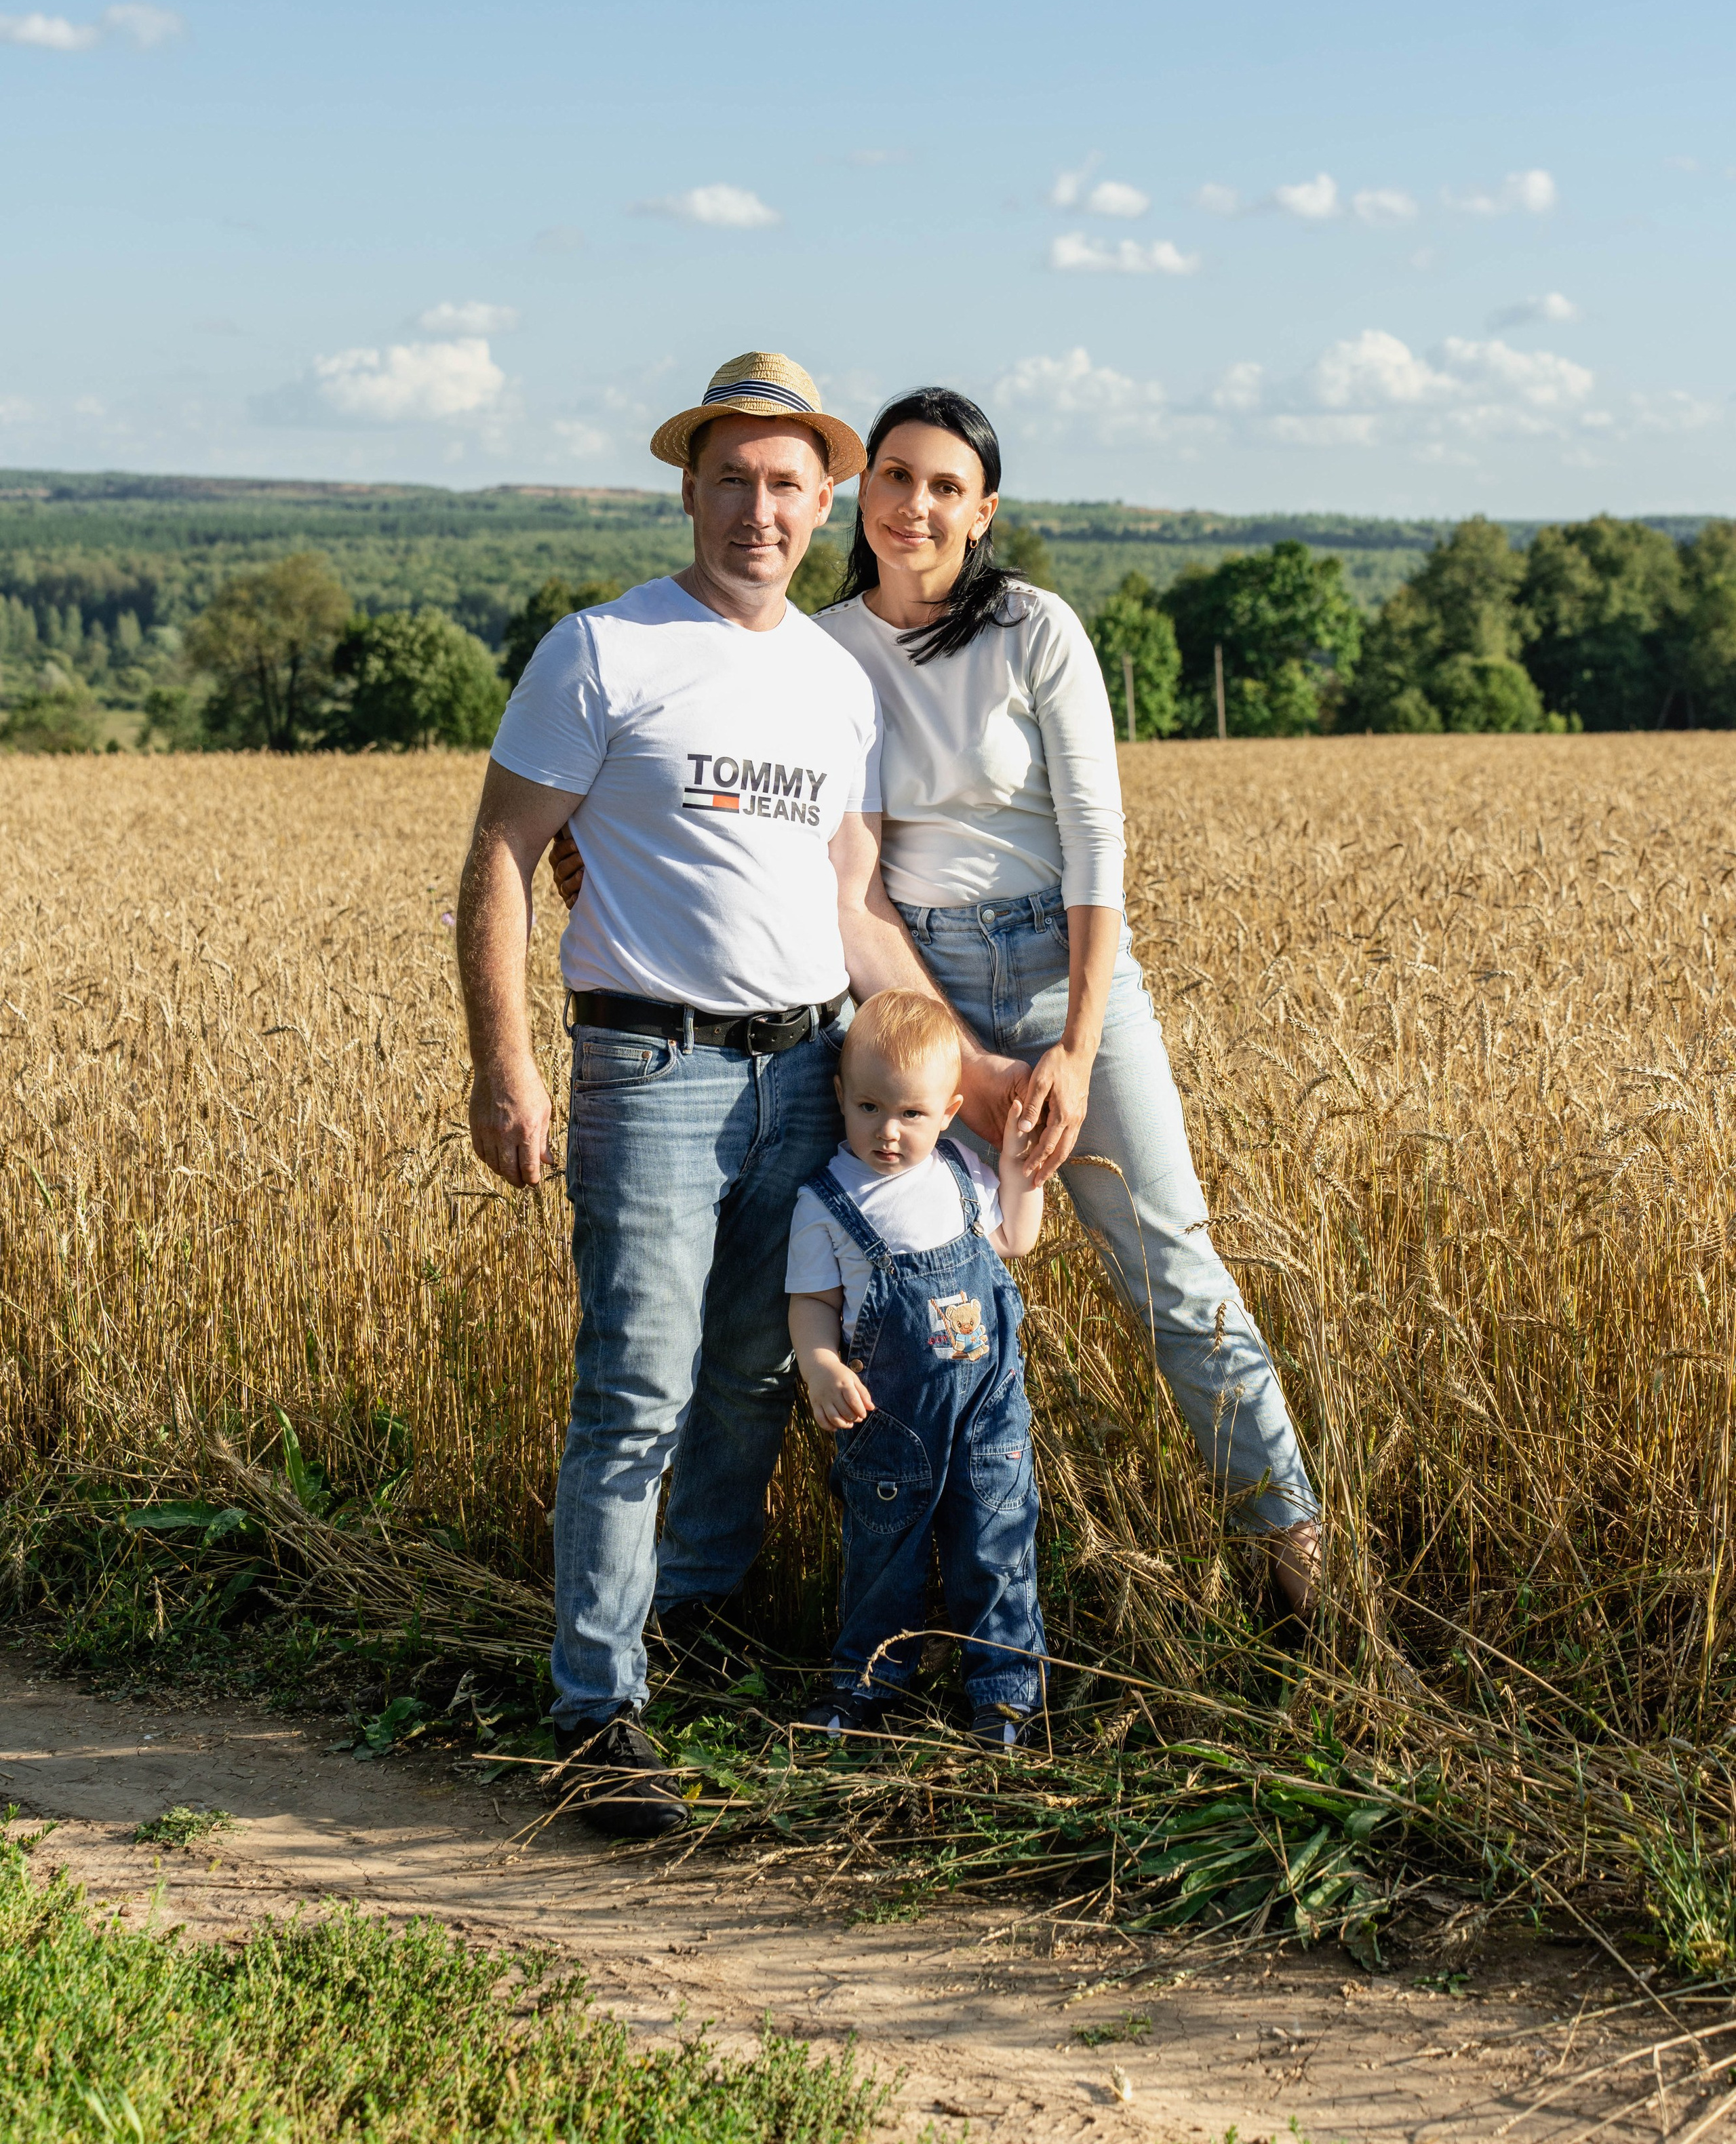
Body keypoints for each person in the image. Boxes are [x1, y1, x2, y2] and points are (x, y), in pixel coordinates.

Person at [455, 353, 1022, 1840]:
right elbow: (504, 854)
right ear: (688, 487)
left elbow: (844, 889)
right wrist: (501, 1060)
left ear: (821, 499)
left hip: (804, 1074)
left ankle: (689, 1618)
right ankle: (596, 1709)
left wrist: (956, 1067)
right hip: (646, 1064)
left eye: (787, 484)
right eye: (731, 479)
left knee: (754, 1373)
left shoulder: (832, 684)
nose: (757, 510)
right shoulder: (604, 651)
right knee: (633, 1383)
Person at [811, 389, 1322, 1614]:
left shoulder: (1036, 629)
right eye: (896, 476)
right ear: (860, 492)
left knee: (1176, 1272)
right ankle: (914, 1610)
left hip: (1062, 968)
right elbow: (854, 880)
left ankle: (1302, 1575)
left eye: (946, 486)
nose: (915, 504)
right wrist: (957, 1066)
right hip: (905, 978)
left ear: (983, 512)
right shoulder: (825, 648)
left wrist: (1077, 1049)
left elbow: (1097, 842)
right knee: (894, 1280)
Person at [787, 989, 1048, 1749]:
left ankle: (1003, 1699)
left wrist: (1018, 1164)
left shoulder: (964, 1176)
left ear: (948, 1111)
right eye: (868, 1108)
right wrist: (820, 1365)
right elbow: (812, 1302)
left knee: (996, 1549)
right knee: (882, 1558)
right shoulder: (827, 1201)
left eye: (910, 1115)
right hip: (886, 1424)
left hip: (987, 1416)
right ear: (839, 1096)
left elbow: (1016, 1242)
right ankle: (865, 1686)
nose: (888, 1133)